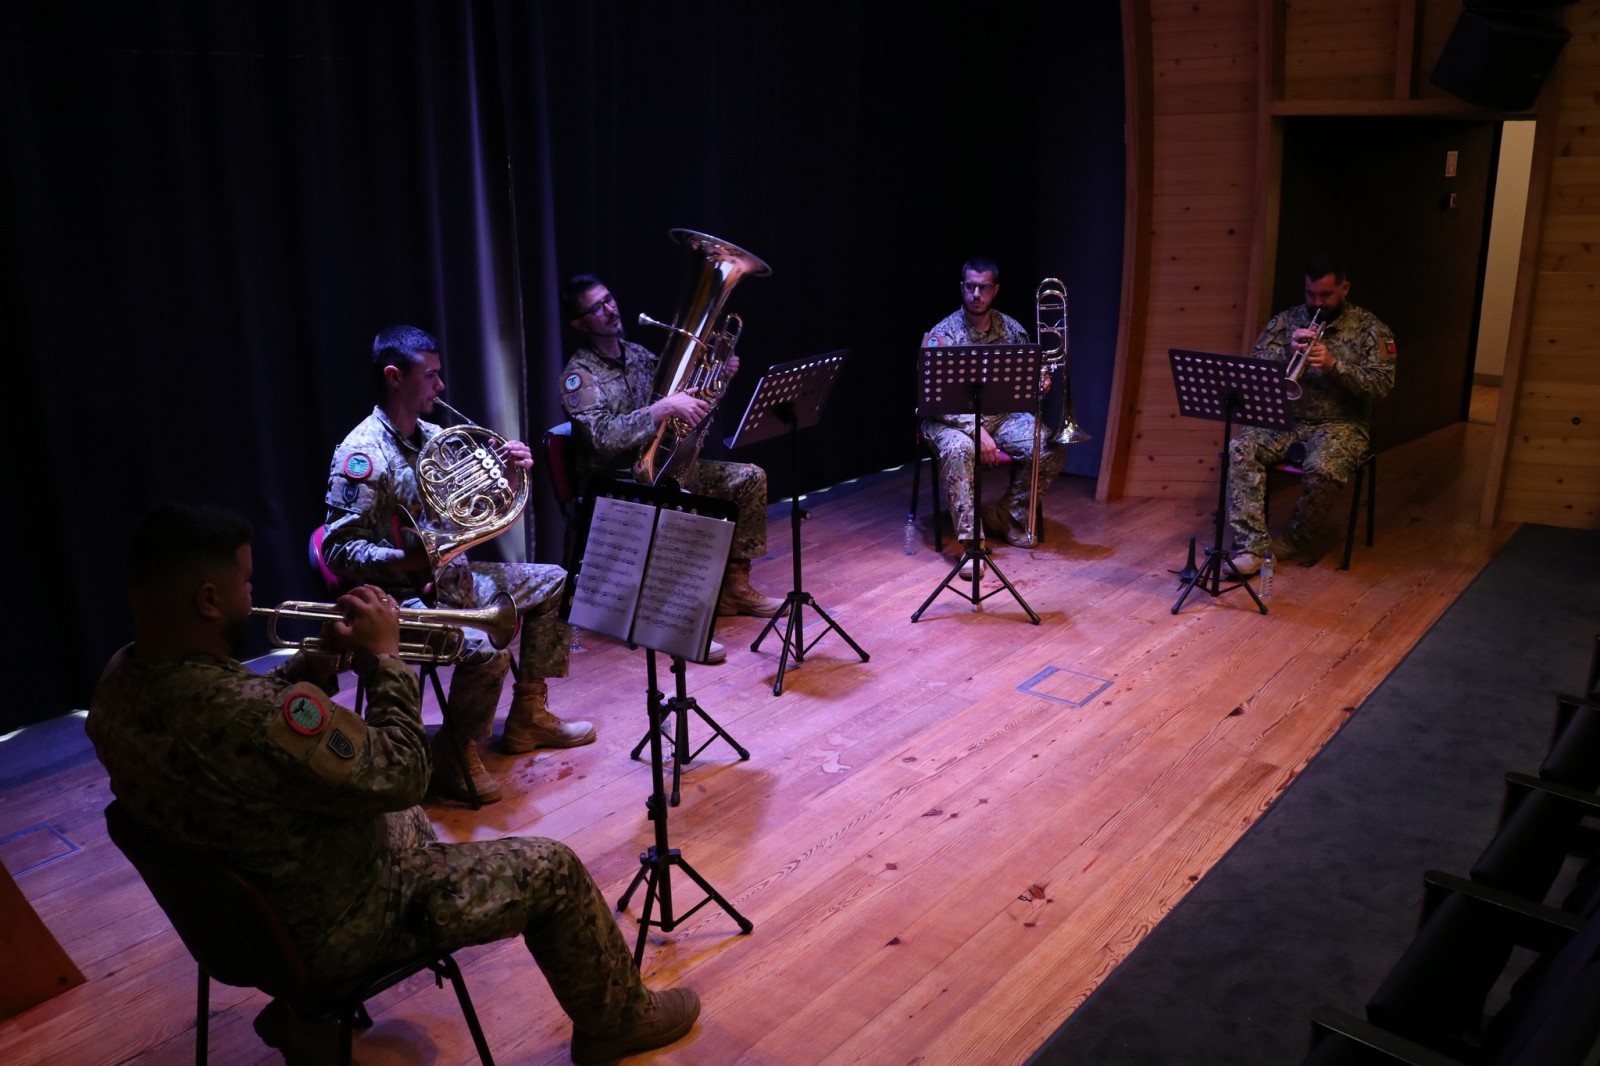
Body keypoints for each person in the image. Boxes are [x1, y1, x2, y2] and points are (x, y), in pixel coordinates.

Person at [87, 503, 699, 1065]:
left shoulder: (121, 683)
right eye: (245, 584)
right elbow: (405, 774)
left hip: (236, 920)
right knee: (554, 869)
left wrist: (313, 664)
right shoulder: (247, 714)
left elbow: (243, 725)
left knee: (402, 821)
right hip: (329, 923)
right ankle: (620, 1022)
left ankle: (312, 1022)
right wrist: (385, 662)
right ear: (208, 600)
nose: (254, 595)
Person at [323, 325, 592, 806]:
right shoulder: (362, 454)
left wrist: (507, 475)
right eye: (430, 375)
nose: (441, 385)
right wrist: (407, 559)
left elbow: (480, 510)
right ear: (394, 377)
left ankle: (528, 714)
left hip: (453, 580)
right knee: (488, 647)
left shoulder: (435, 437)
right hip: (401, 599)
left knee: (554, 581)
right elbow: (338, 551)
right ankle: (454, 749)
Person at [558, 274, 783, 618]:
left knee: (750, 478)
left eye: (609, 300)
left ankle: (734, 590)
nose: (610, 310)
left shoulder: (638, 355)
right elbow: (602, 439)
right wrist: (662, 409)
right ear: (579, 323)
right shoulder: (578, 376)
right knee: (684, 503)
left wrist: (720, 376)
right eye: (597, 308)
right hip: (617, 483)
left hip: (661, 469)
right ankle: (676, 617)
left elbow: (689, 398)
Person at [1227, 255, 1397, 575]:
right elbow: (1256, 367)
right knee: (1240, 449)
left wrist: (1335, 366)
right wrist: (1287, 352)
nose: (1317, 302)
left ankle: (1293, 540)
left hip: (1341, 423)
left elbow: (1382, 385)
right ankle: (1252, 547)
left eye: (1325, 295)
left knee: (1324, 469)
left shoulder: (1371, 329)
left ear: (1345, 289)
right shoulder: (1286, 321)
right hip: (1287, 418)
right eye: (1310, 294)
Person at [920, 256, 1066, 556]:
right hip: (950, 421)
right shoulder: (942, 335)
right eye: (970, 287)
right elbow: (933, 399)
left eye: (984, 288)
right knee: (959, 449)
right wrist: (975, 430)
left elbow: (1029, 376)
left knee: (1049, 447)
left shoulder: (1011, 329)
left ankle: (1006, 515)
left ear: (995, 290)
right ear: (962, 287)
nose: (976, 294)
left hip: (1000, 417)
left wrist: (1040, 382)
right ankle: (972, 544)